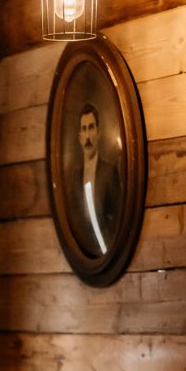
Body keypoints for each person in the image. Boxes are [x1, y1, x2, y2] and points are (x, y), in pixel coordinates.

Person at [65, 101, 121, 257]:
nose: (88, 135)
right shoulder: (73, 178)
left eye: (91, 127)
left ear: (99, 132)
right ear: (79, 137)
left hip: (105, 250)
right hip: (81, 254)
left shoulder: (109, 172)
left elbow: (117, 218)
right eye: (84, 129)